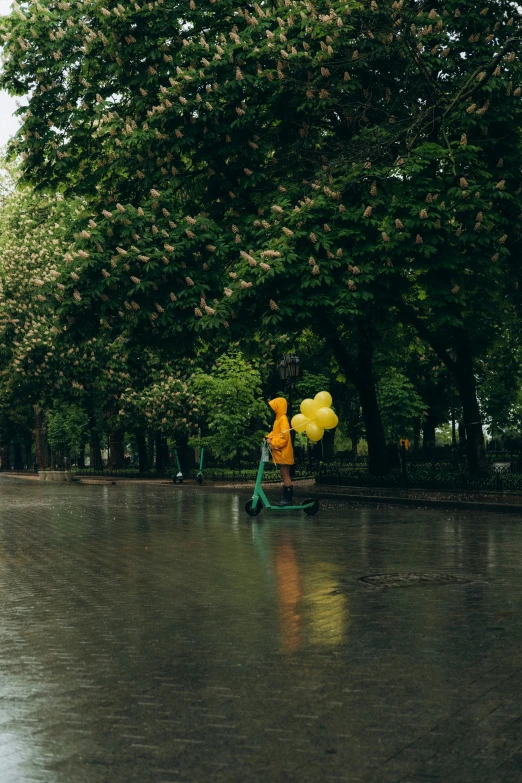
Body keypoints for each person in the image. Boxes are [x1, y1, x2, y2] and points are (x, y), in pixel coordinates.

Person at [266, 397, 295, 505]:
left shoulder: (283, 419)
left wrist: (272, 442)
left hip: (284, 453)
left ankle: (288, 499)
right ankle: (287, 498)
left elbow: (284, 437)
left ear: (279, 407)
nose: (273, 409)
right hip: (282, 452)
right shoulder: (278, 419)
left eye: (275, 407)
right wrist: (267, 437)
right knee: (284, 475)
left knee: (285, 475)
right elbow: (275, 433)